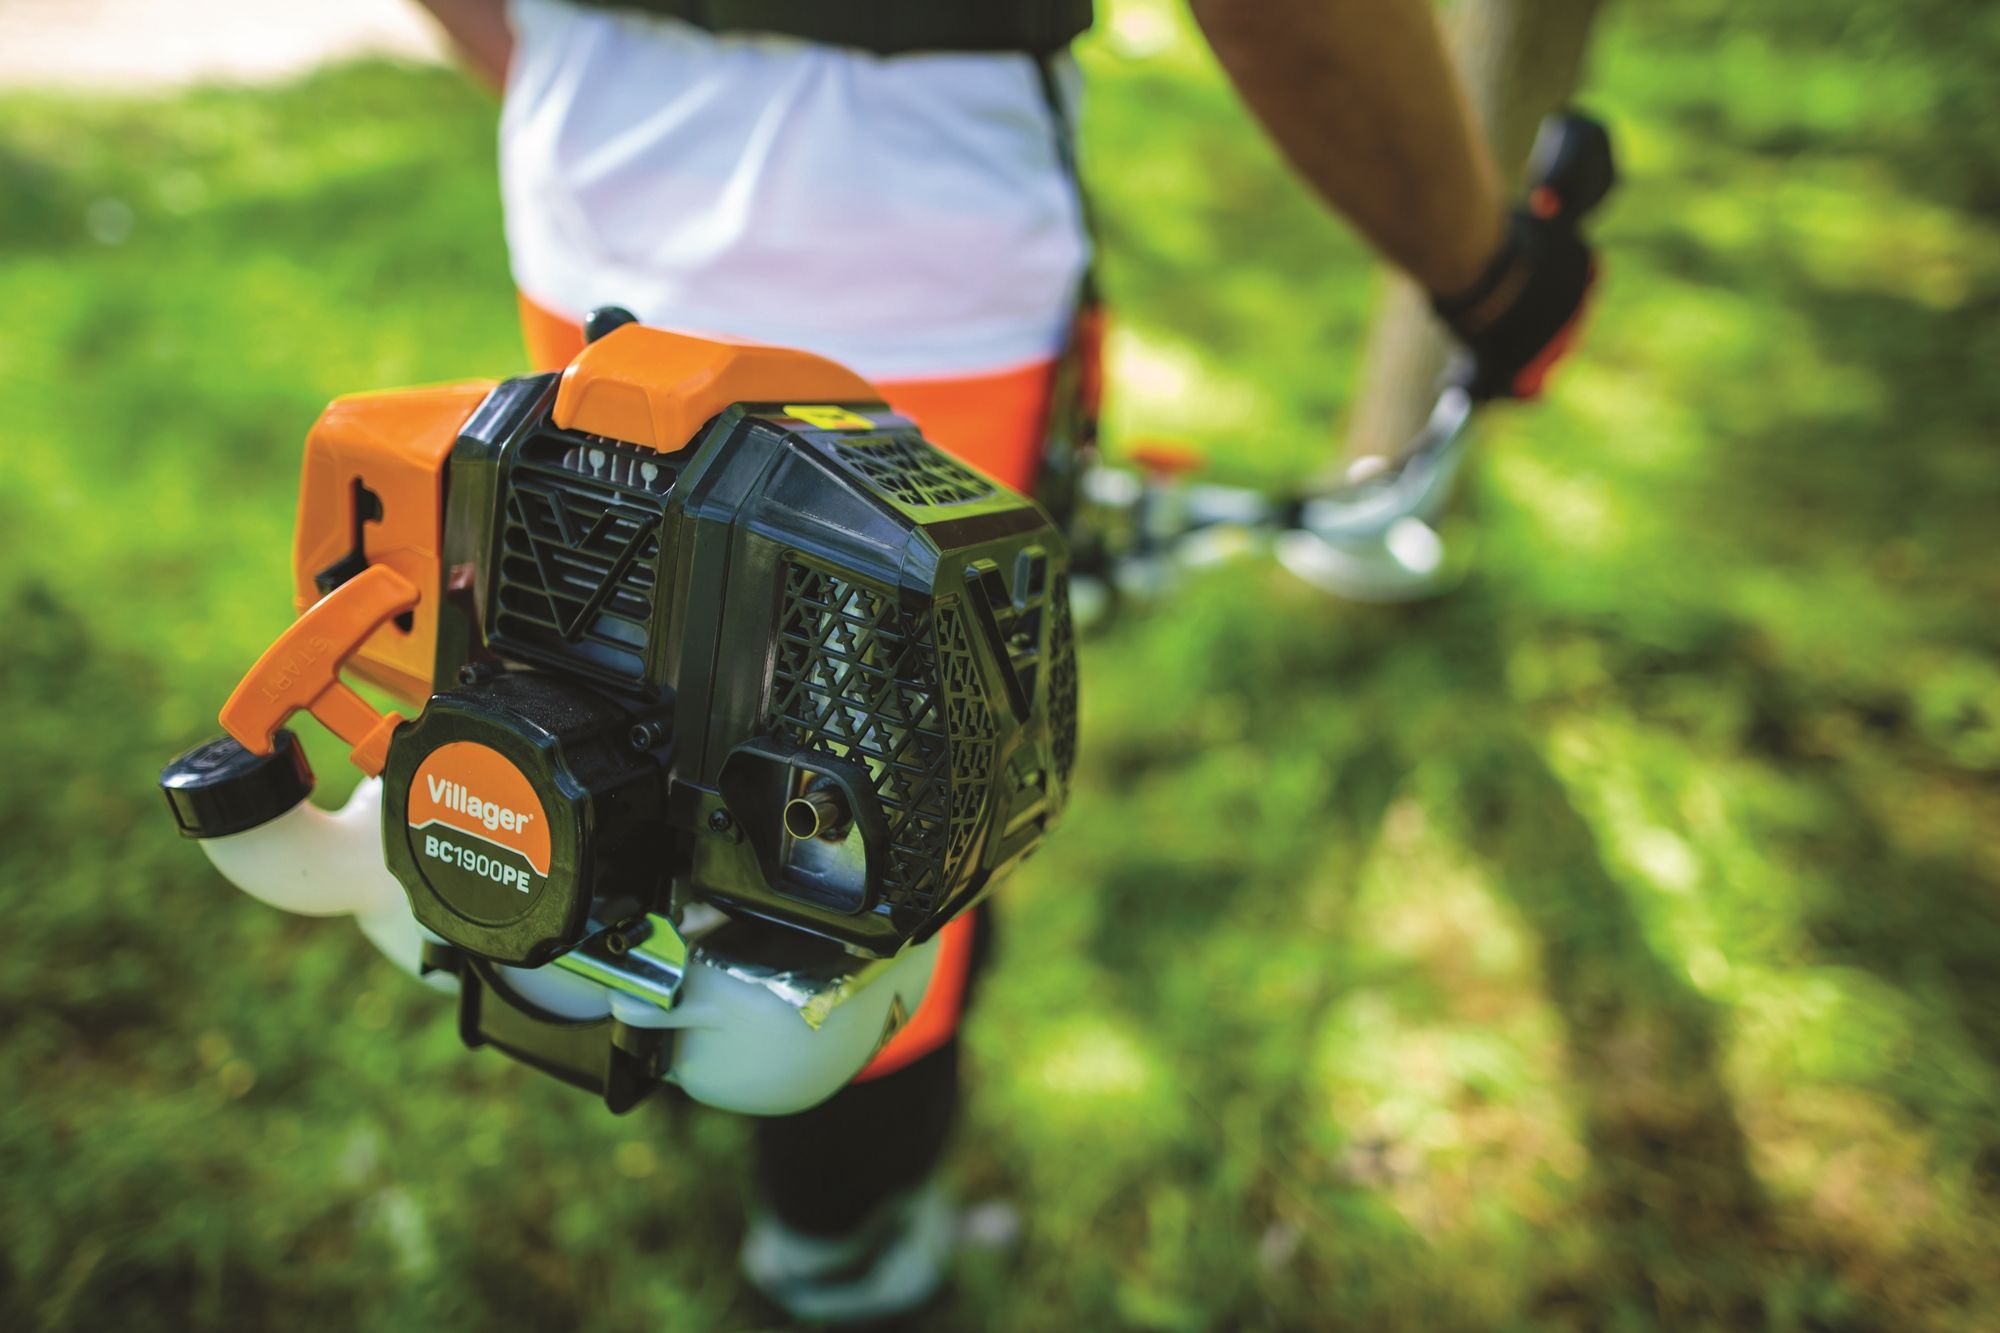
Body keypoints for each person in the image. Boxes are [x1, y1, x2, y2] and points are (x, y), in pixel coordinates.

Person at [408, 1, 1596, 1323]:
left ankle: (695, 1080)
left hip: (597, 193)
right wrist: (1490, 275)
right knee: (879, 832)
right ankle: (845, 1246)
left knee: (643, 705)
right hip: (914, 265)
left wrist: (589, 77)